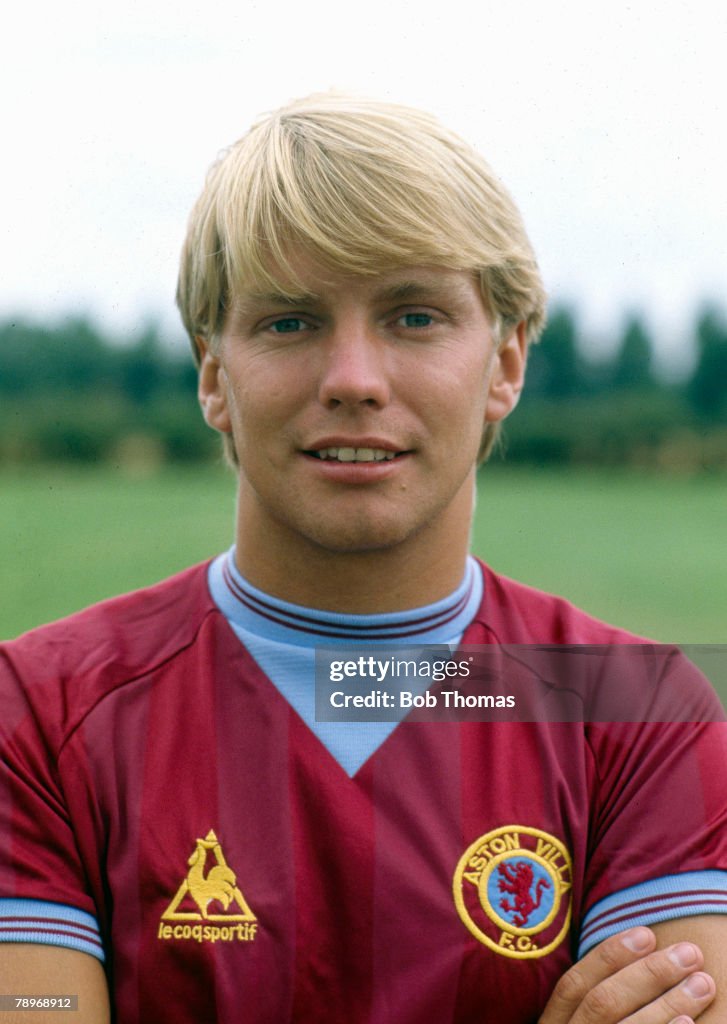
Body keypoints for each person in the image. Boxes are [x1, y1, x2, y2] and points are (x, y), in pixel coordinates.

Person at [1, 92, 726, 1024]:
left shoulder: (643, 713)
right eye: (290, 323)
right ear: (214, 376)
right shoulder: (35, 714)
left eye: (414, 317)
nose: (352, 379)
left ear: (504, 363)